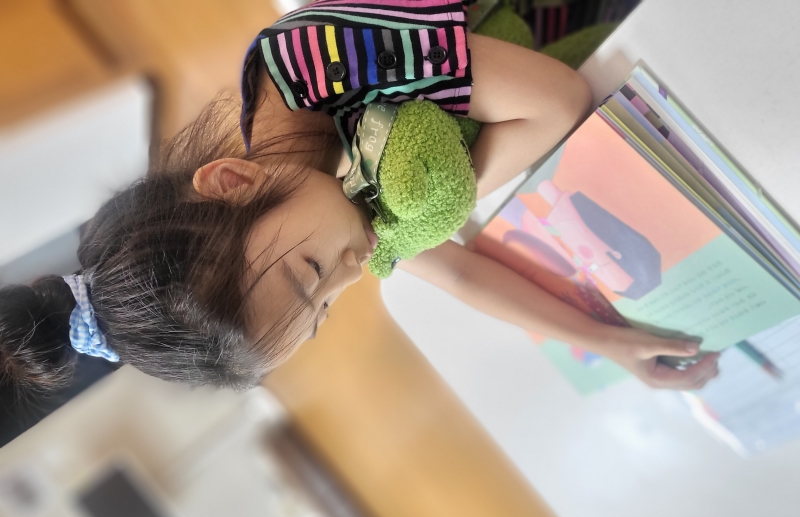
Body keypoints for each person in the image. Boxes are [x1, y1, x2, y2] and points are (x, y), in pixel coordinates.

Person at [0, 0, 719, 417]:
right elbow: (459, 274)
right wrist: (607, 341)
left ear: (231, 182)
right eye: (323, 311)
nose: (355, 269)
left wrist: (426, 212)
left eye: (313, 275)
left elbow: (556, 100)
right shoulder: (307, 201)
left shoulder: (318, 60)